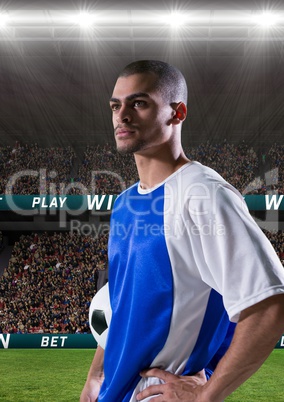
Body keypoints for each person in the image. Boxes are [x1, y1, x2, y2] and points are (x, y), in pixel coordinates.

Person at [80, 60, 284, 402]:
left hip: (155, 392)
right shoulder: (126, 202)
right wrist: (96, 376)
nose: (122, 115)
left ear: (178, 113)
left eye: (139, 103)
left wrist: (206, 394)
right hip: (113, 391)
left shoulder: (202, 194)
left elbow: (269, 305)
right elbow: (126, 304)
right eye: (116, 105)